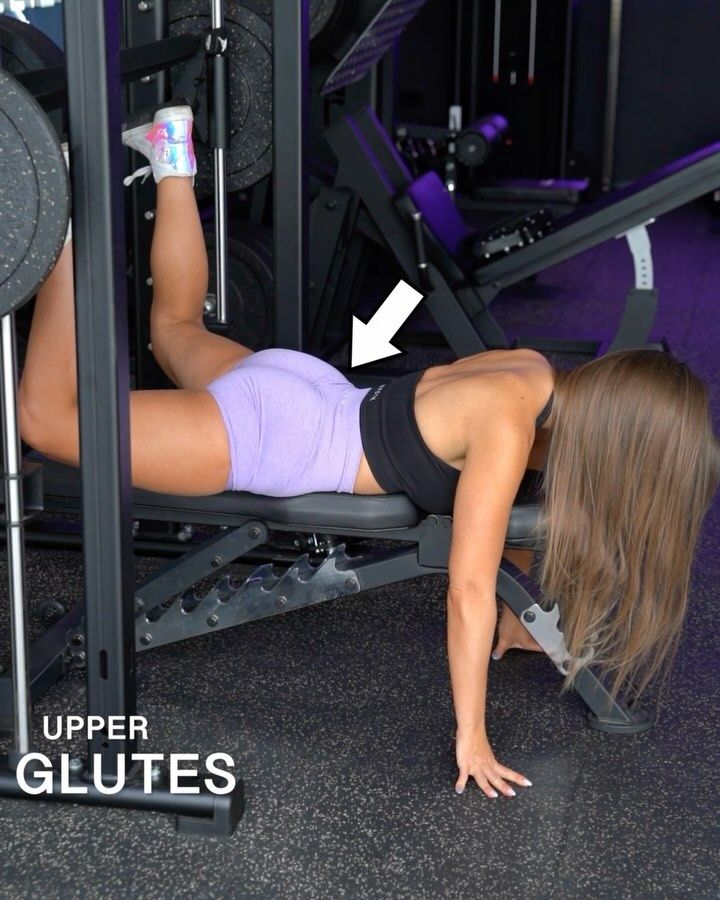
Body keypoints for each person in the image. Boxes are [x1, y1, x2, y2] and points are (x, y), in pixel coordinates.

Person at [18, 105, 720, 800]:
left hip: (314, 390)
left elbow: (520, 516)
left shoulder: (532, 373)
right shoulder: (509, 430)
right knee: (48, 422)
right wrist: (471, 735)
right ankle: (65, 210)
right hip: (279, 437)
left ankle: (171, 152)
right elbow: (468, 588)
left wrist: (519, 618)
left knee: (173, 326)